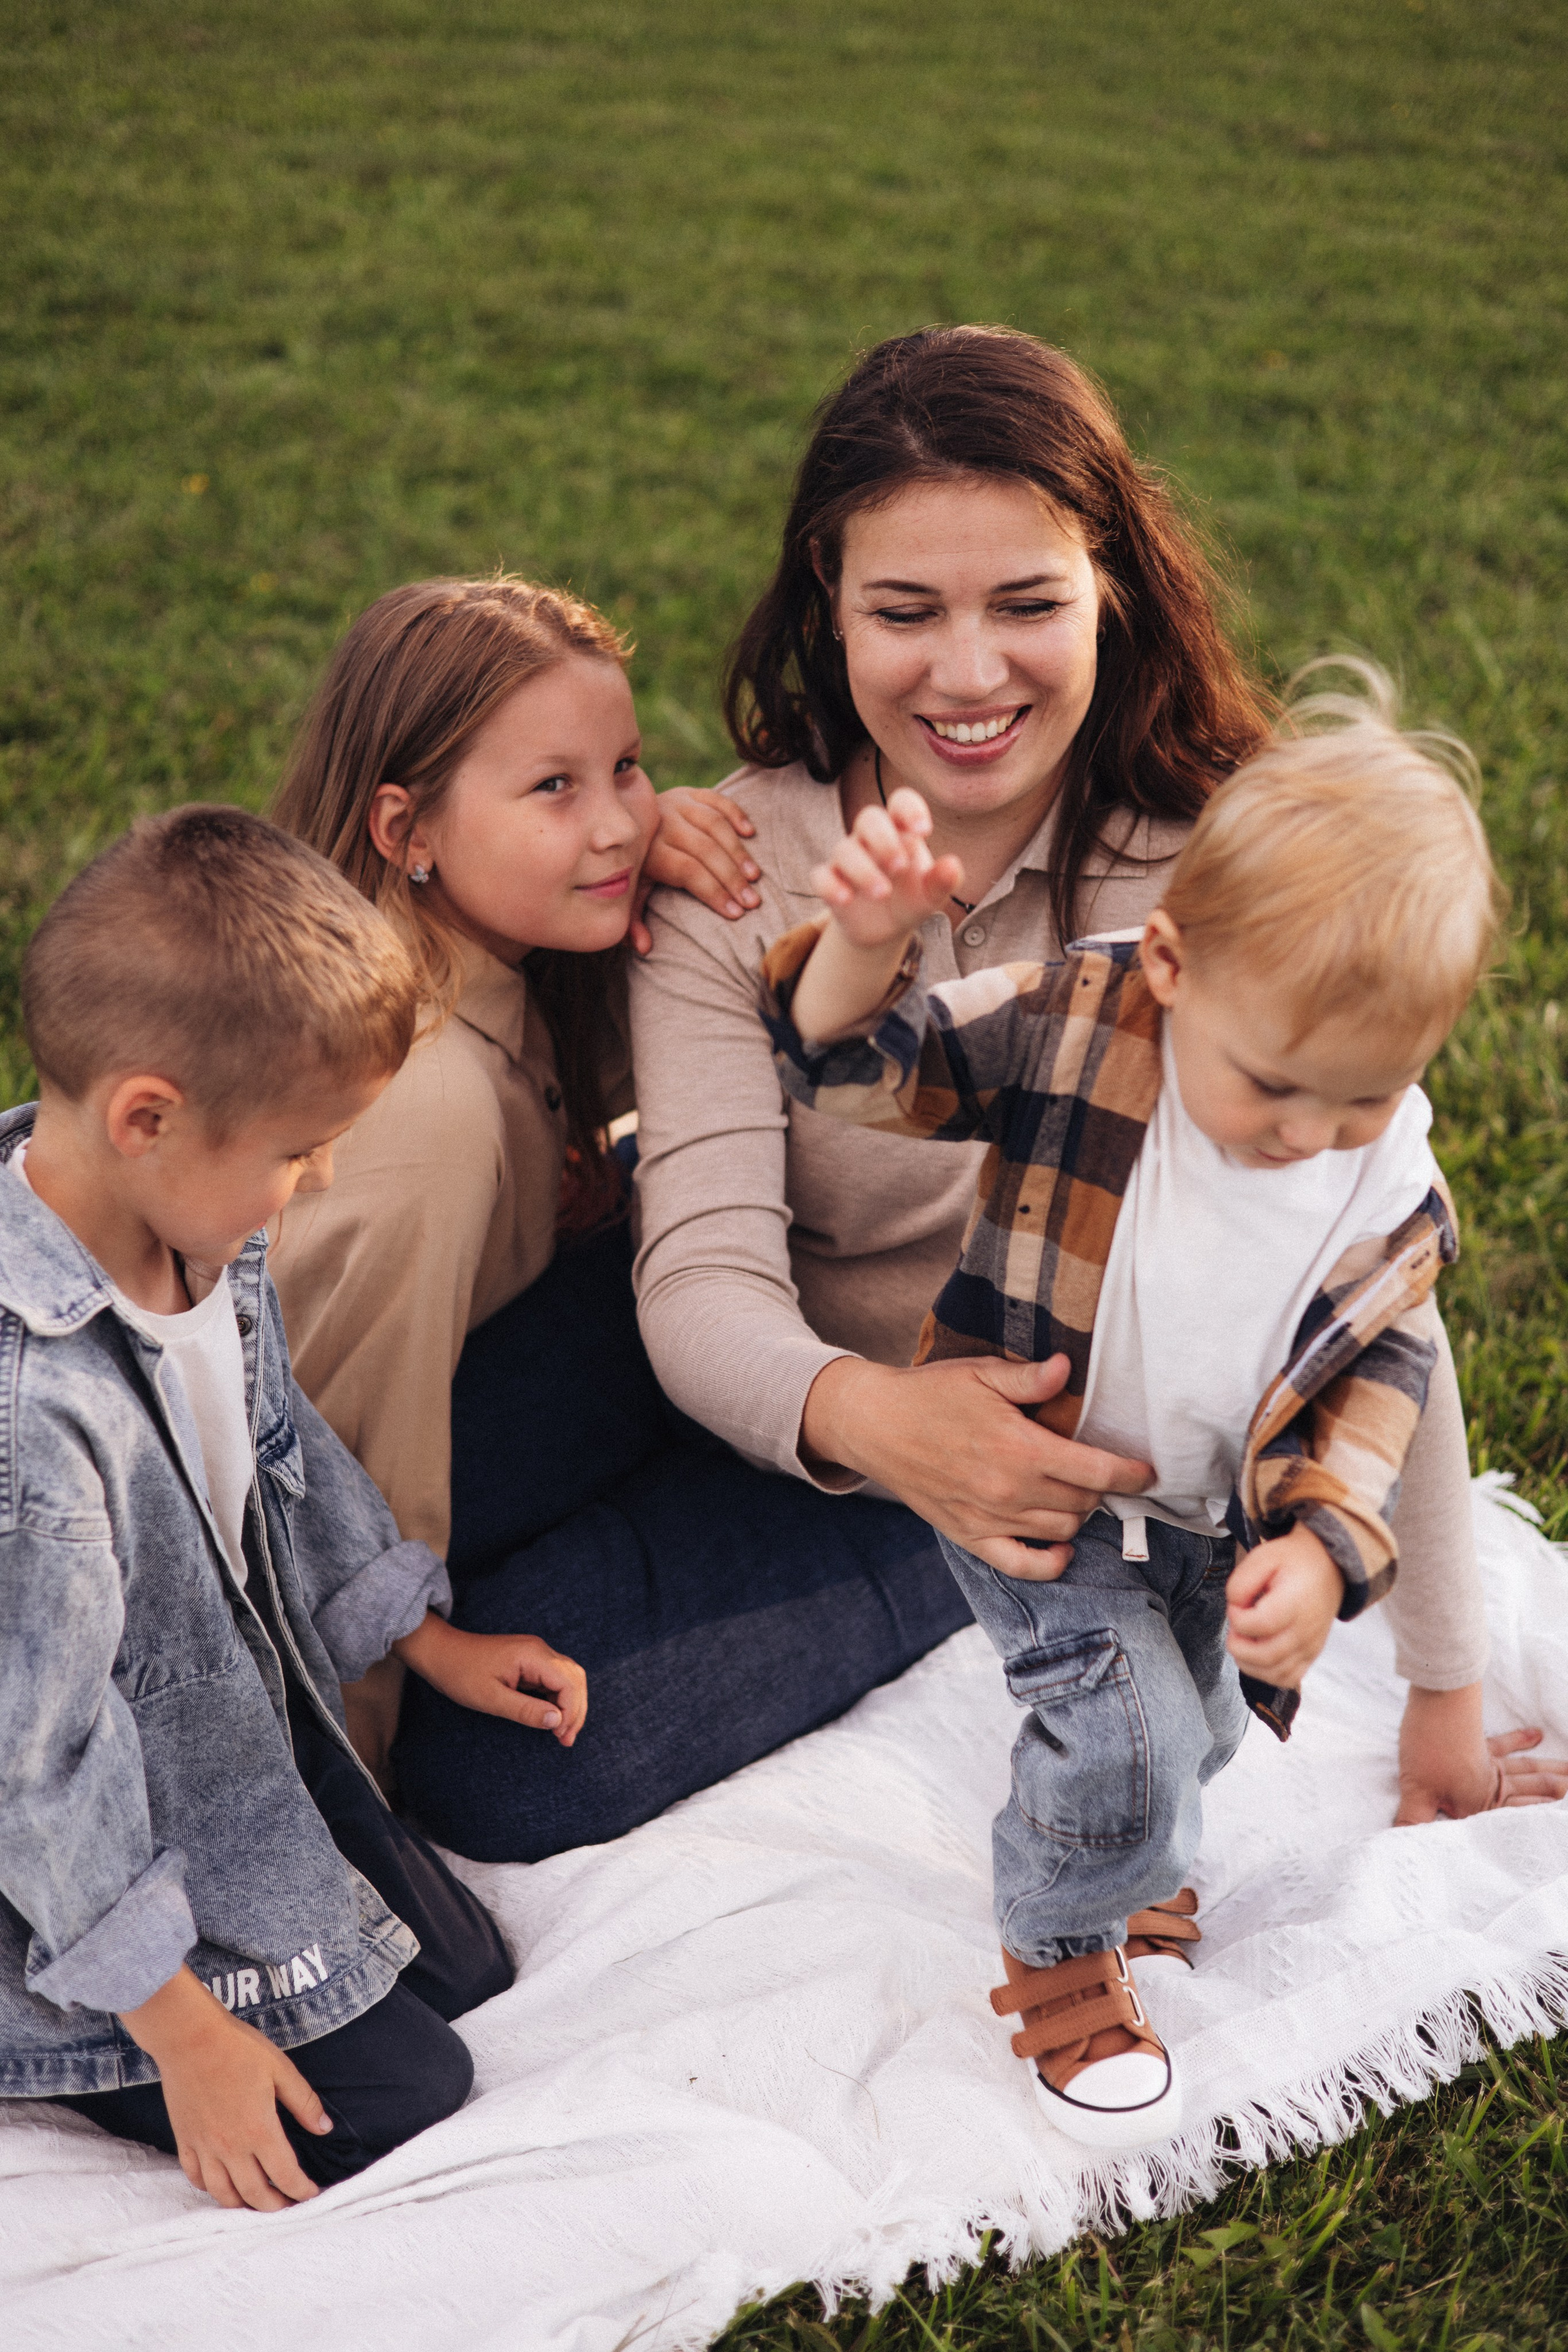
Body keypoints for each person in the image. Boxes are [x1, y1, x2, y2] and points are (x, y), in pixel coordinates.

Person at [630, 322, 1565, 1841]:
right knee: (465, 1560)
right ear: (828, 599)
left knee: (528, 1775)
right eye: (904, 610)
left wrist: (1443, 1703)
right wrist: (887, 1421)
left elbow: (1377, 1290)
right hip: (815, 1412)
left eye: (1026, 603)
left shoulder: (1224, 869)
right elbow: (697, 1290)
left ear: (1108, 588)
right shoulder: (736, 867)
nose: (969, 670)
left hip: (1042, 1498)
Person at [757, 668, 1496, 2147]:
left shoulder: (1381, 1183)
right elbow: (851, 1073)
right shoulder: (1075, 1016)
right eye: (1274, 1087)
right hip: (1035, 1477)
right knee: (1131, 1740)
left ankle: (1135, 1856)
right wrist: (860, 946)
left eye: (1359, 1098)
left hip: (1209, 1516)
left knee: (1207, 1727)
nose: (1306, 1137)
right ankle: (1056, 1944)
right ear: (1168, 961)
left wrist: (1321, 1548)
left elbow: (1378, 1383)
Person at [268, 576, 960, 1858]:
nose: (616, 823)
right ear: (403, 827)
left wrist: (662, 845)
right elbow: (306, 1485)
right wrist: (330, 1835)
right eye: (554, 788)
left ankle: (917, 1522)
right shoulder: (419, 1117)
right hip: (327, 1482)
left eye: (629, 768)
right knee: (481, 1763)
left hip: (522, 1375)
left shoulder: (504, 962)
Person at [0, 807, 585, 2212]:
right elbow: (36, 1765)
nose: (317, 1181)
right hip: (58, 1844)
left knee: (463, 1973)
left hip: (226, 1736)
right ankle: (59, 2024)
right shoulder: (30, 1419)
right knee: (404, 2097)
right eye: (301, 1149)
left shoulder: (195, 1228)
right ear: (148, 1116)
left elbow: (284, 1454)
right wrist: (185, 2033)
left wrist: (414, 1636)